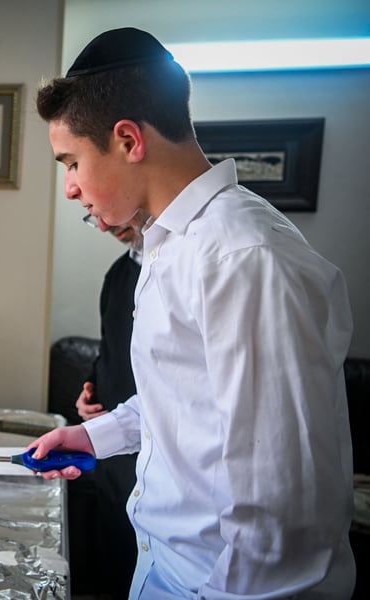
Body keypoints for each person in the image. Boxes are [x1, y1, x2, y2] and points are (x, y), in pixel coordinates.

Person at [29, 27, 355, 598]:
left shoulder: (243, 258)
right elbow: (185, 403)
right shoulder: (167, 247)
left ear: (128, 139)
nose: (70, 189)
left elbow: (280, 508)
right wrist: (94, 435)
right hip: (161, 568)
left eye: (72, 162)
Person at [71, 210, 148, 598]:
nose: (103, 224)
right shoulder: (118, 276)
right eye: (91, 217)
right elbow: (111, 353)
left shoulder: (173, 272)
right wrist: (91, 392)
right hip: (111, 459)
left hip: (149, 459)